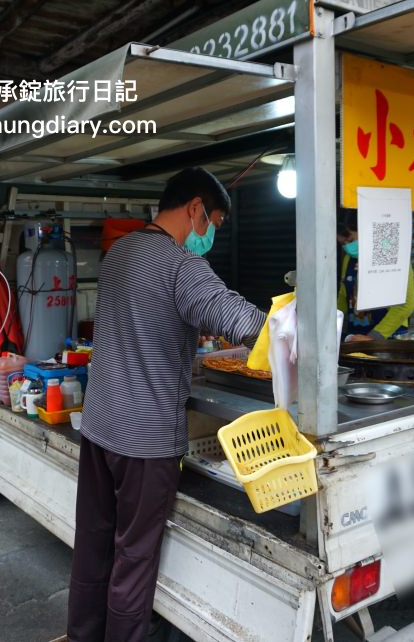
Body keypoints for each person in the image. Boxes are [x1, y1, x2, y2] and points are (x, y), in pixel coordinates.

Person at [67, 168, 266, 641]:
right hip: (145, 440)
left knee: (93, 549)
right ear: (196, 209)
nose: (211, 234)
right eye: (213, 221)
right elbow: (238, 319)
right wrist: (298, 320)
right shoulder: (182, 265)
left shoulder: (119, 253)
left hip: (99, 426)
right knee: (133, 562)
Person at [336, 213, 414, 342]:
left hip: (387, 338)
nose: (347, 247)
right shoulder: (348, 259)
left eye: (350, 240)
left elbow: (405, 305)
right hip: (356, 336)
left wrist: (373, 337)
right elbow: (344, 297)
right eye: (342, 243)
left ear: (366, 230)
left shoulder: (392, 256)